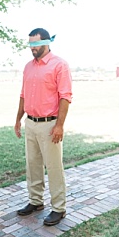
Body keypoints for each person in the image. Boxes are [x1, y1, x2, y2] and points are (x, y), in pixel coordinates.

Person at [13, 28, 72, 226]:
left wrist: (59, 125)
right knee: (33, 165)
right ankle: (35, 201)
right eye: (30, 45)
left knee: (54, 167)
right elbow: (23, 94)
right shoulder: (28, 67)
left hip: (50, 125)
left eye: (36, 45)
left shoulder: (60, 65)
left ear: (47, 43)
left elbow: (65, 96)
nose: (33, 49)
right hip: (30, 122)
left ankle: (59, 208)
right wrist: (18, 119)